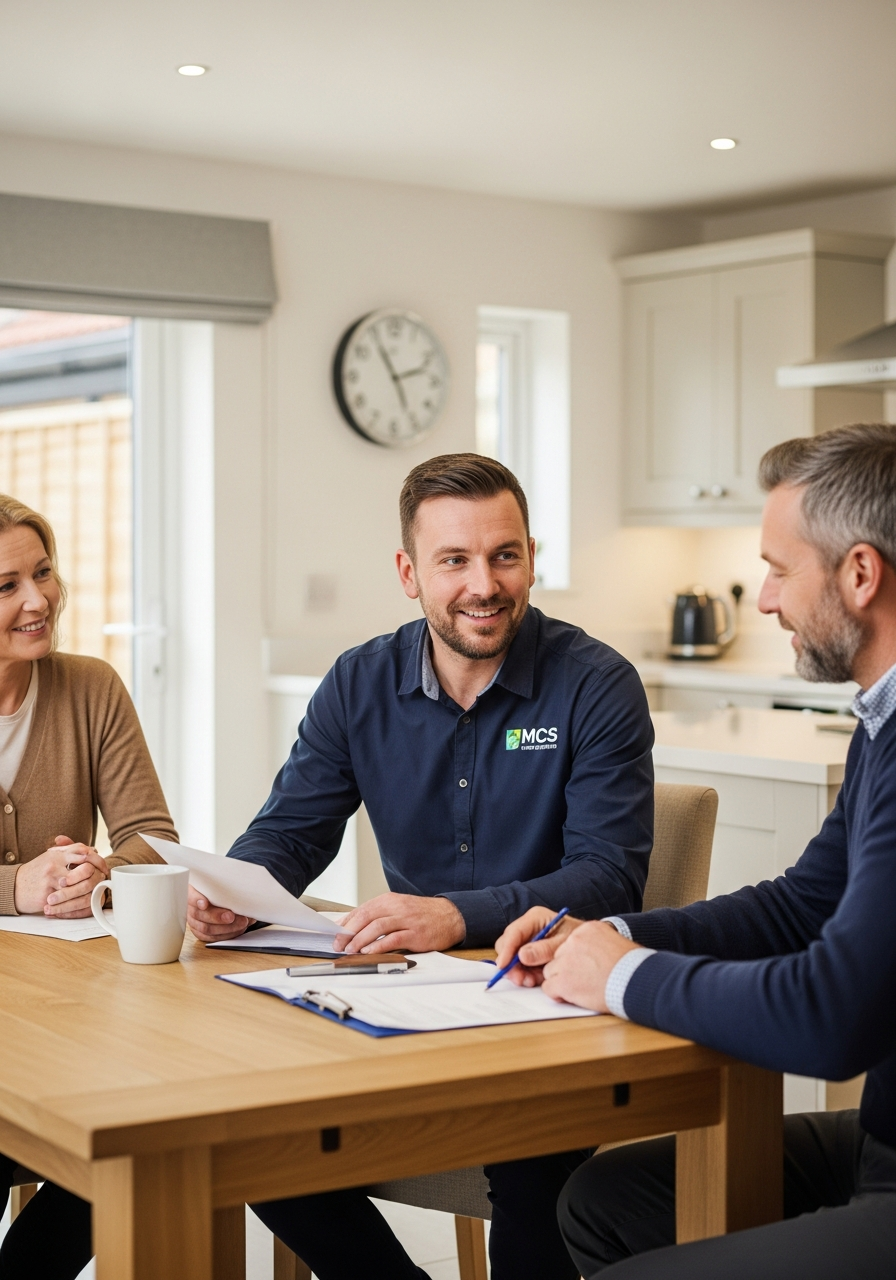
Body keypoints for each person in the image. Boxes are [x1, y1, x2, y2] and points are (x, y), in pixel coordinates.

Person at [188, 453, 655, 1280]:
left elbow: (608, 876)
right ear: (409, 573)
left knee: (530, 1179)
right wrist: (238, 892)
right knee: (249, 1136)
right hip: (399, 1004)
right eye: (455, 561)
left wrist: (454, 913)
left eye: (505, 555)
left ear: (531, 558)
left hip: (547, 1005)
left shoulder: (597, 686)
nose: (486, 583)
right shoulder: (357, 684)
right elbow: (291, 833)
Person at [495, 423, 896, 1280]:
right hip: (881, 1141)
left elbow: (831, 1017)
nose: (764, 601)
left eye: (780, 570)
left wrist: (619, 978)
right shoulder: (882, 722)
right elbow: (800, 906)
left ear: (860, 575)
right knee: (601, 1203)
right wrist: (612, 939)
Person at [0, 494, 178, 1279]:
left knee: (147, 1131)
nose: (39, 600)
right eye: (6, 585)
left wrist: (98, 873)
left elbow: (153, 836)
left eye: (43, 573)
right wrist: (19, 888)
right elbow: (21, 890)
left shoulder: (91, 687)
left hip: (65, 1018)